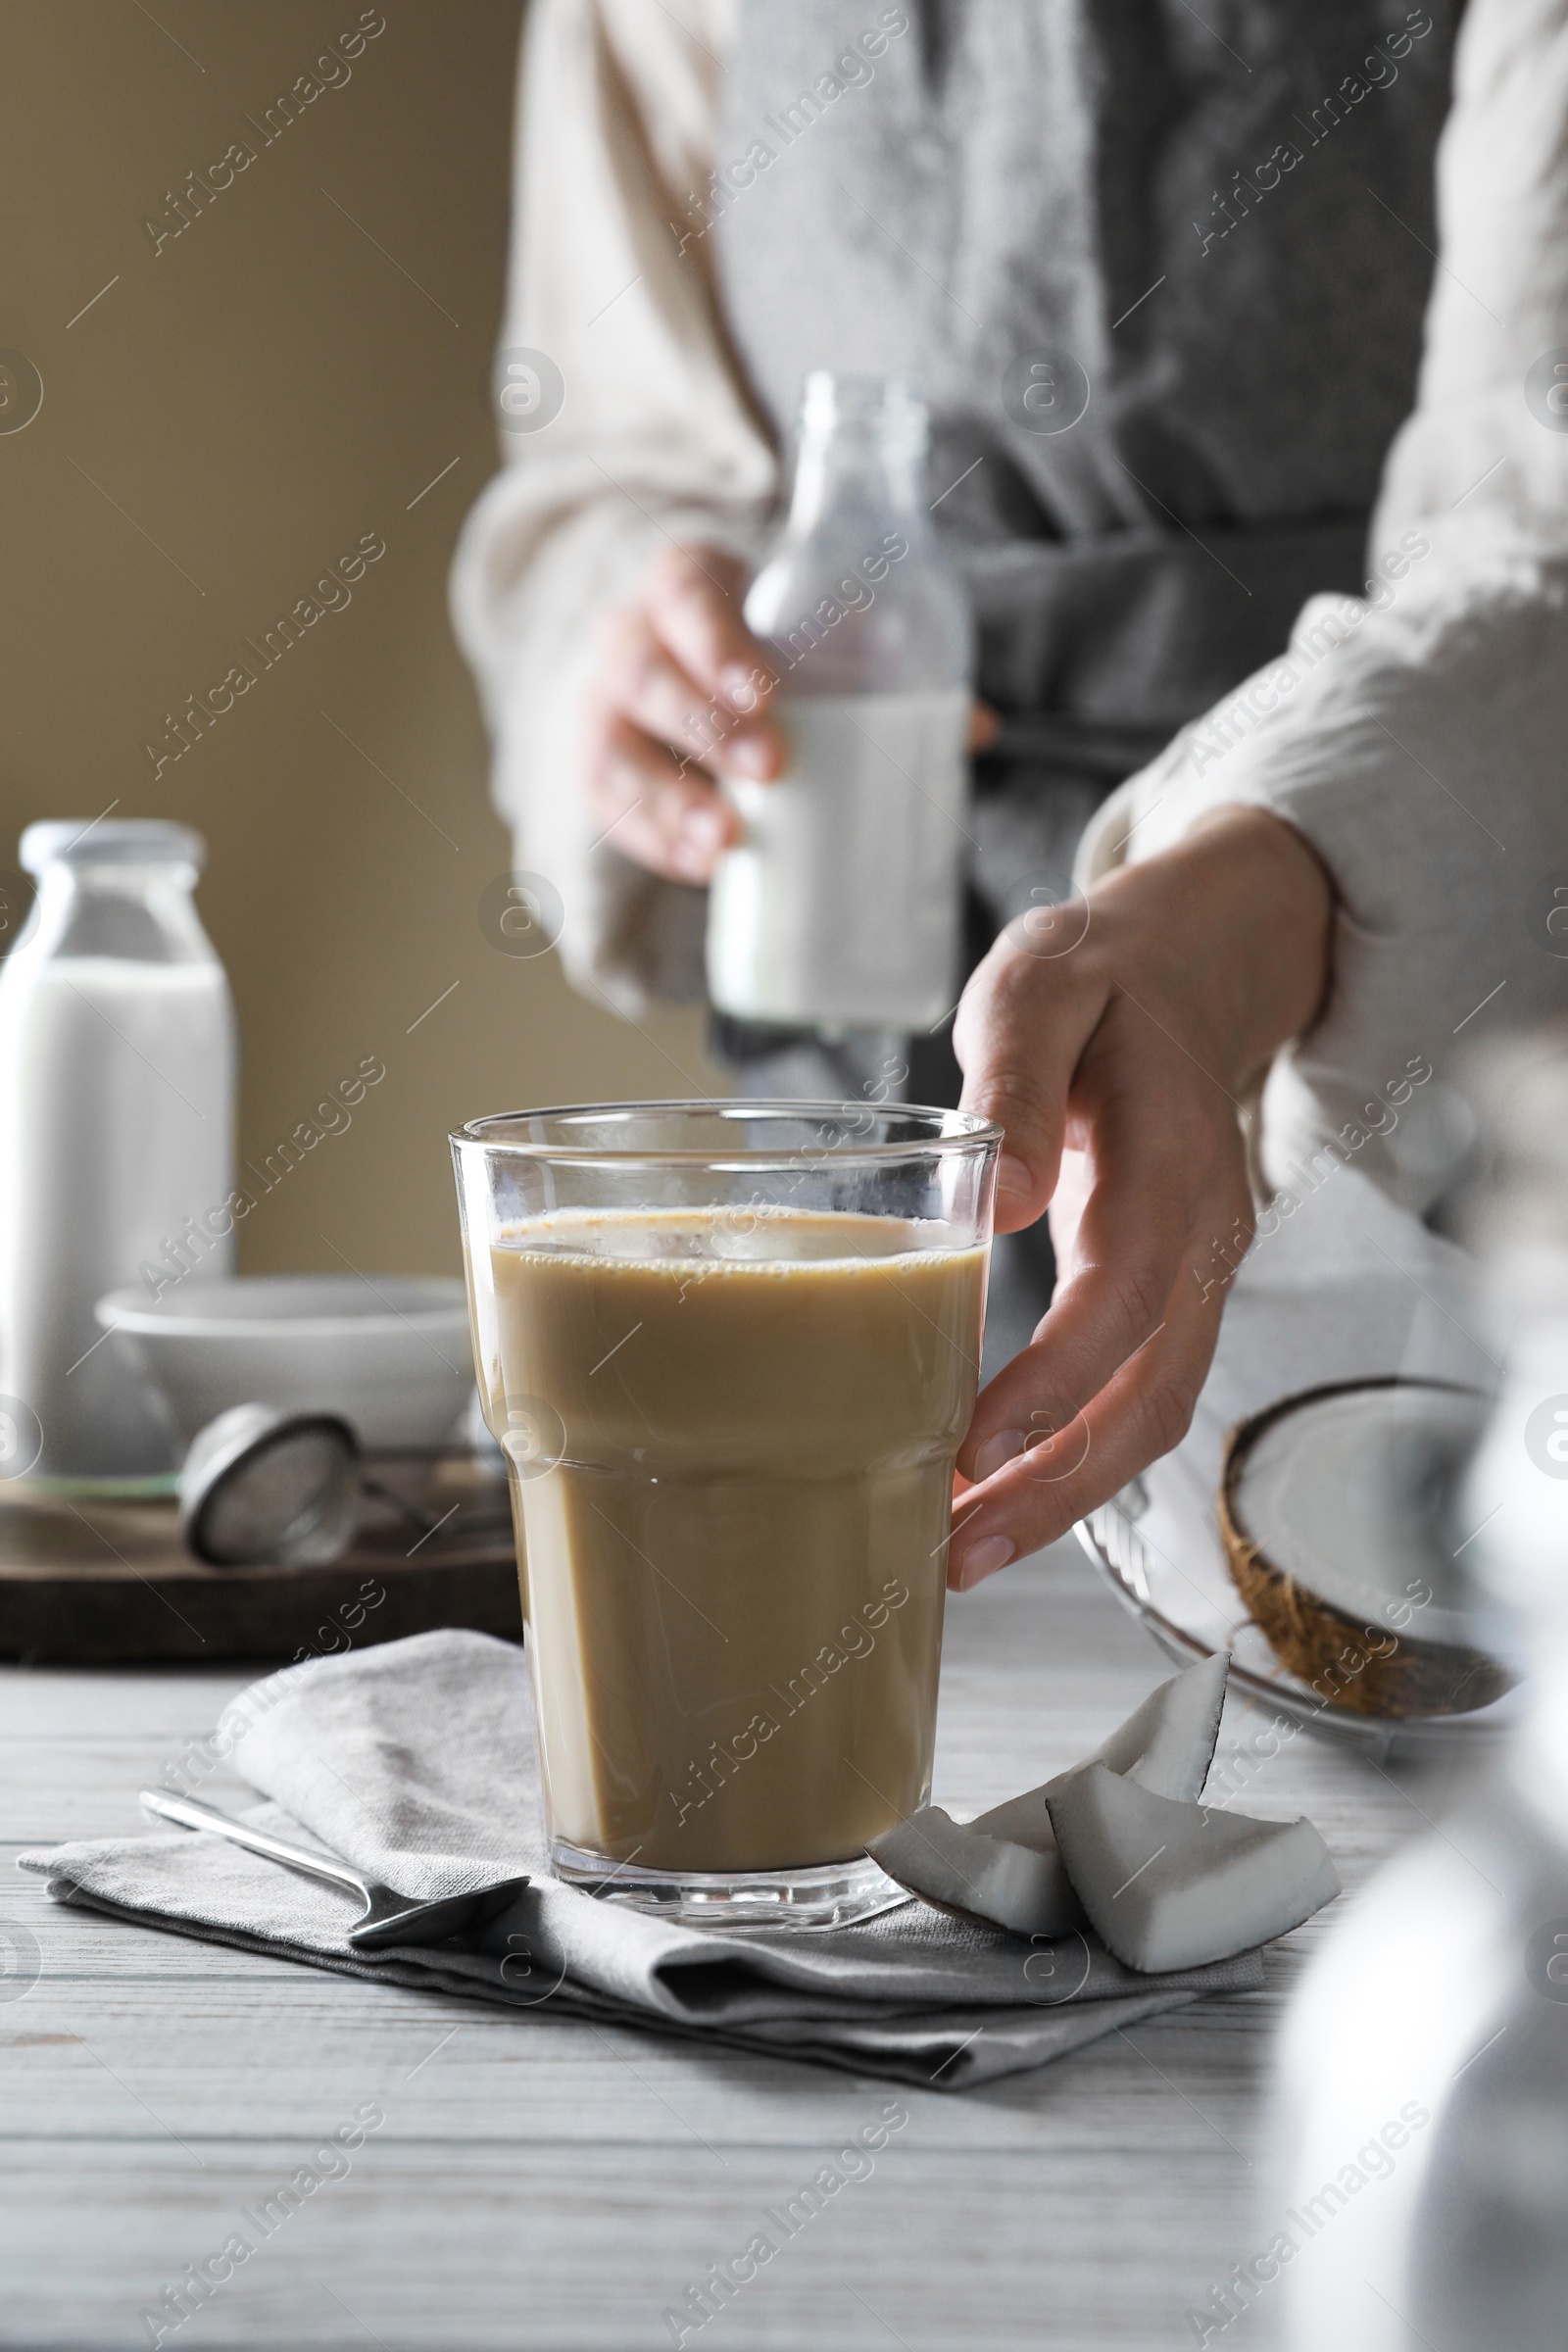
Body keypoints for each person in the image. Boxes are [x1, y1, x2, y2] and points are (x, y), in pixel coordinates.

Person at [453, 0, 1568, 1592]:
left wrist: (1233, 923)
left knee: (1363, 1666)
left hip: (1412, 1074)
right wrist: (633, 627)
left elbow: (1539, 553)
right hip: (859, 1118)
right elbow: (615, 449)